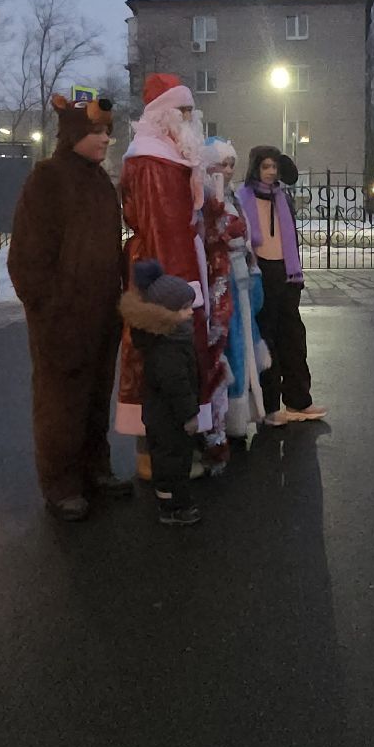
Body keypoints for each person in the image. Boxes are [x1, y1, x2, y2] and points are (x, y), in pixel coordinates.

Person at [6, 91, 129, 522]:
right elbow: (26, 259)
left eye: (108, 132)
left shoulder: (99, 183)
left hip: (101, 315)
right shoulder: (48, 178)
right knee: (61, 402)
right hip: (62, 320)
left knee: (96, 399)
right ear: (74, 133)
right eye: (96, 132)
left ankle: (95, 469)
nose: (105, 140)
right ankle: (60, 484)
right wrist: (49, 310)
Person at [117, 74, 217, 478]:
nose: (191, 118)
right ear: (164, 114)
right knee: (159, 359)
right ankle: (156, 458)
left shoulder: (167, 153)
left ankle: (172, 451)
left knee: (172, 360)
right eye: (184, 110)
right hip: (165, 272)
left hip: (176, 266)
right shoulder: (150, 159)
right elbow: (163, 227)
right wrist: (177, 289)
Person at [239, 146, 325, 427]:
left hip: (286, 275)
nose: (271, 172)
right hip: (260, 272)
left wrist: (294, 272)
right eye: (265, 166)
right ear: (255, 168)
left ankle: (299, 400)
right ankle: (270, 406)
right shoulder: (244, 198)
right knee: (267, 339)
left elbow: (291, 240)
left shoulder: (282, 198)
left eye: (274, 167)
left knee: (293, 338)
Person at [120, 260, 204, 526]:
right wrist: (190, 414)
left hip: (164, 415)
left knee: (171, 459)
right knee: (172, 461)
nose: (191, 313)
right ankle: (172, 506)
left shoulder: (169, 336)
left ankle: (172, 499)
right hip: (170, 418)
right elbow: (176, 385)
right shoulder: (168, 347)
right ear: (165, 313)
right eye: (185, 309)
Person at [206, 139, 270, 447]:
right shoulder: (206, 197)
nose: (229, 170)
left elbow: (243, 237)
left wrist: (248, 257)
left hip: (240, 277)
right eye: (223, 164)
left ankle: (243, 414)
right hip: (221, 281)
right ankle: (226, 419)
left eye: (232, 164)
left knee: (244, 341)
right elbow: (208, 236)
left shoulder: (232, 197)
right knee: (229, 344)